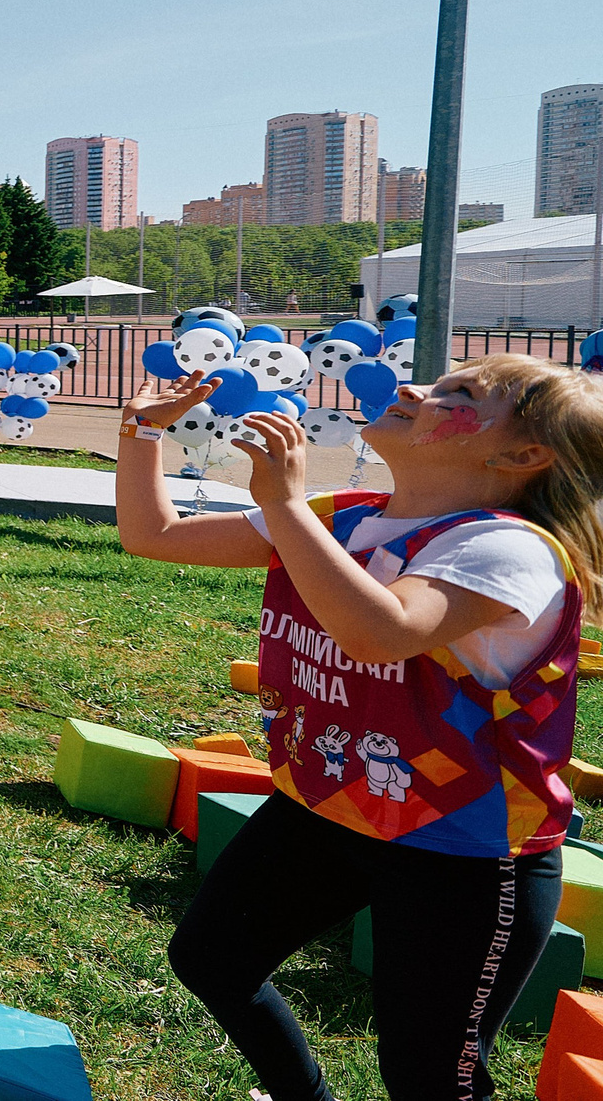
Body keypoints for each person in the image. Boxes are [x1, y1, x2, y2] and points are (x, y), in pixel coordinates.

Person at [119, 355, 603, 1101]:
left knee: (430, 1075)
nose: (415, 389)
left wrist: (283, 506)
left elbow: (380, 630)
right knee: (214, 956)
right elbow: (152, 534)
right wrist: (142, 432)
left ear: (521, 455)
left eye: (460, 393)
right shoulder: (342, 513)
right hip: (335, 804)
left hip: (465, 848)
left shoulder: (511, 547)